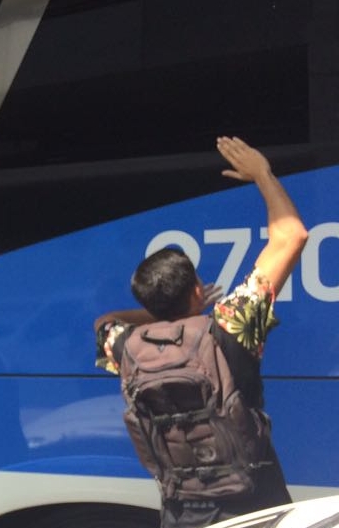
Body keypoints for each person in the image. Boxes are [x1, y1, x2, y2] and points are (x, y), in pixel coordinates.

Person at [94, 136, 308, 528]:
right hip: (256, 507)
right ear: (197, 289)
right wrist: (262, 173)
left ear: (148, 302)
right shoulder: (230, 326)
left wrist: (159, 313)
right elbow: (292, 236)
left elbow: (104, 320)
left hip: (182, 513)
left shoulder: (123, 344)